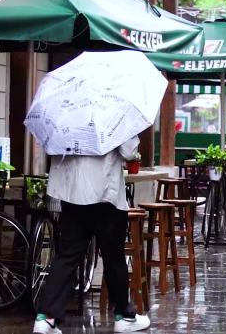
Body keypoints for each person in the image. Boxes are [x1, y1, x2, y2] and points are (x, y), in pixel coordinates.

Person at [33, 137, 150, 334]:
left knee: (67, 256)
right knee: (114, 257)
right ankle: (123, 316)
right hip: (106, 195)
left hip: (73, 195)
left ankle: (46, 318)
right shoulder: (113, 113)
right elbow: (130, 152)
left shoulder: (69, 114)